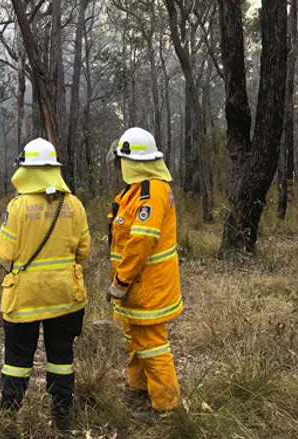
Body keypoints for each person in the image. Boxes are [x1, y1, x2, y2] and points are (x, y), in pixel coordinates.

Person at [0, 138, 91, 435]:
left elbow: (4, 254)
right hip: (67, 298)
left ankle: (8, 419)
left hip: (25, 300)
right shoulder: (75, 204)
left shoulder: (19, 207)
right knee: (61, 358)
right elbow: (84, 251)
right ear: (53, 170)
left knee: (17, 360)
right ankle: (62, 416)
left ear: (28, 170)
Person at [106, 127, 182, 423]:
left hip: (146, 285)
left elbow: (140, 242)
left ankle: (165, 406)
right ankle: (140, 387)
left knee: (151, 342)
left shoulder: (153, 192)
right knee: (136, 337)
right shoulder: (135, 191)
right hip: (136, 284)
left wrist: (120, 282)